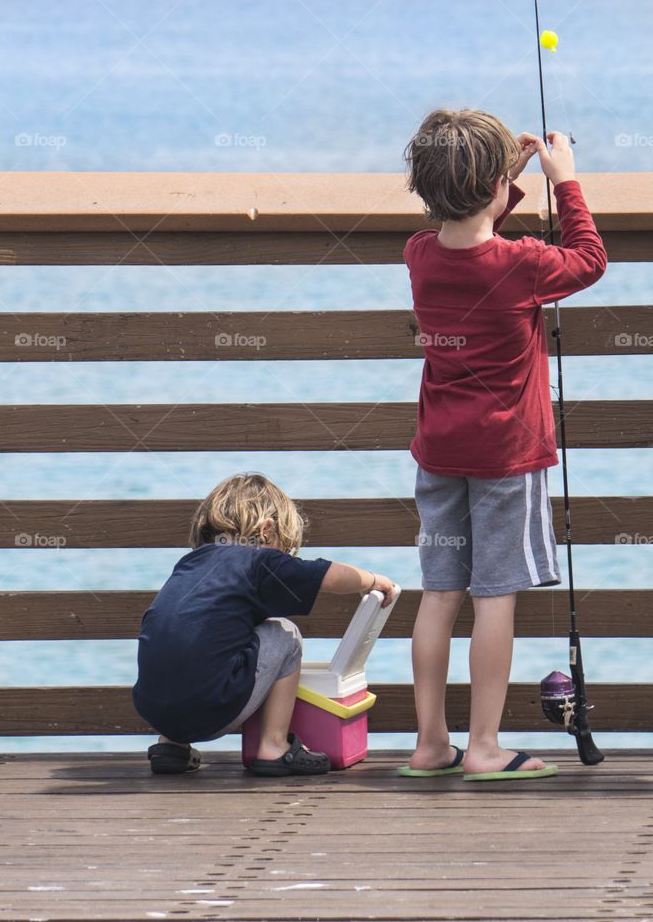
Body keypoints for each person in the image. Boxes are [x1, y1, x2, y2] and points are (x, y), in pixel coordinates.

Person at [398, 108, 607, 781]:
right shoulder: (524, 265)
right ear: (492, 189)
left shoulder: (419, 254)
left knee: (439, 593)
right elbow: (590, 261)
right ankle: (483, 747)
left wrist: (502, 182)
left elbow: (466, 236)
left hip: (439, 452)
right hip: (505, 459)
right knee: (494, 597)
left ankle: (431, 744)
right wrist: (564, 180)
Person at [133, 471, 396, 776]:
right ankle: (274, 747)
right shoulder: (260, 560)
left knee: (194, 643)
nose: (287, 557)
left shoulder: (191, 563)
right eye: (286, 548)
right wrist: (372, 580)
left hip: (153, 707)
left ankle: (172, 746)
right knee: (285, 634)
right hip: (211, 706)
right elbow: (330, 575)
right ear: (267, 531)